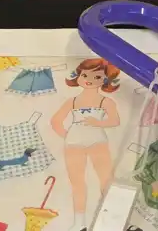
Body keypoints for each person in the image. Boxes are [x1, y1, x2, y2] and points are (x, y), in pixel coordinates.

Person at [50, 58, 122, 231]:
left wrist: (98, 123)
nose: (89, 80)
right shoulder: (72, 101)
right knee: (77, 182)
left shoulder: (106, 101)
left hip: (97, 141)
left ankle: (110, 218)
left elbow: (115, 120)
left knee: (106, 179)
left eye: (97, 77)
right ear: (78, 76)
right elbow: (55, 121)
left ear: (105, 80)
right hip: (74, 144)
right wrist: (68, 136)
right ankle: (79, 222)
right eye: (85, 75)